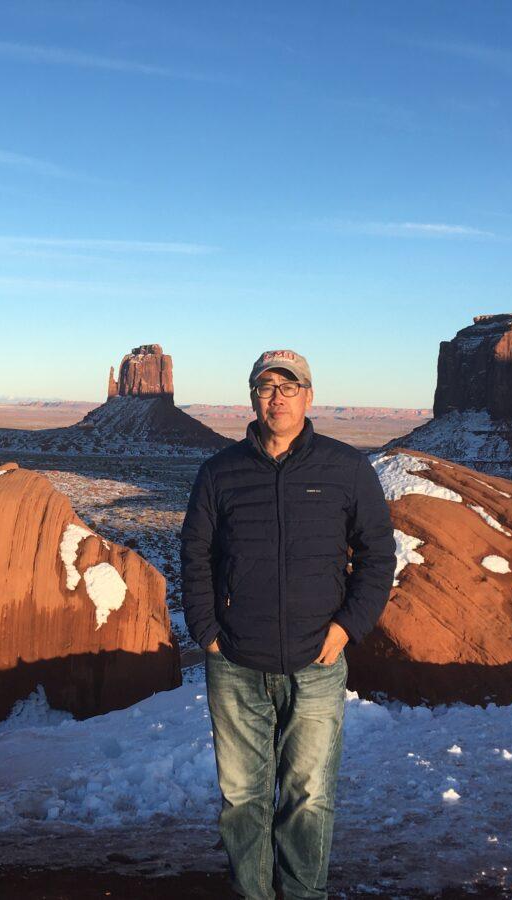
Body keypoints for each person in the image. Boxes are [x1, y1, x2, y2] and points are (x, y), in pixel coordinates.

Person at [180, 349, 396, 899]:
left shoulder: (346, 468)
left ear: (309, 396)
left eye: (288, 387)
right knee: (242, 797)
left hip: (317, 660)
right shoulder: (219, 472)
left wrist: (348, 627)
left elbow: (377, 556)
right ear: (253, 396)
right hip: (235, 661)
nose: (276, 397)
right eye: (265, 387)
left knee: (309, 795)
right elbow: (195, 555)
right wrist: (207, 631)